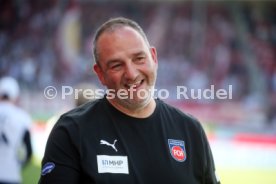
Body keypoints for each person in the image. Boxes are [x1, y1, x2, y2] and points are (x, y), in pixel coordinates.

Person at [39, 17, 220, 184]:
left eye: (139, 58)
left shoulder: (190, 130)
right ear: (100, 74)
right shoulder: (71, 131)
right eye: (117, 65)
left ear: (154, 58)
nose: (132, 74)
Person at [0, 76, 33, 184]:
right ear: (16, 96)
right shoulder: (22, 117)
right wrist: (18, 165)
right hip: (11, 174)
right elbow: (28, 152)